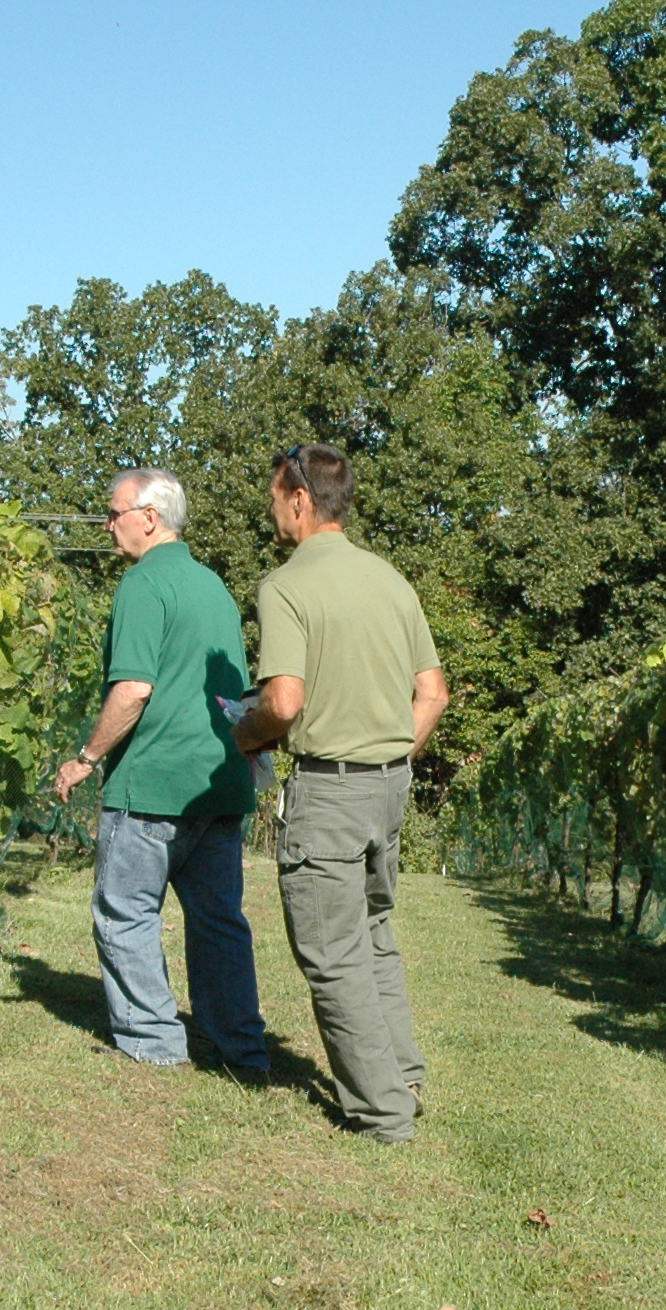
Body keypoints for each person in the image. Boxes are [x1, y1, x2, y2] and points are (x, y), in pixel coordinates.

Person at [231, 444, 450, 1143]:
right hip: (390, 789)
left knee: (331, 951)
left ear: (300, 498)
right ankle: (402, 1077)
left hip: (331, 790)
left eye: (274, 500)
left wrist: (245, 735)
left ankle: (382, 1113)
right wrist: (390, 757)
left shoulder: (286, 585)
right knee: (374, 934)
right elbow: (433, 695)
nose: (272, 513)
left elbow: (285, 702)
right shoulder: (391, 580)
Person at [52, 468, 267, 1072]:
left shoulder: (143, 585)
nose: (107, 524)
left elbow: (134, 689)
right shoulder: (213, 586)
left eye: (113, 512)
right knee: (219, 921)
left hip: (151, 783)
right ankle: (242, 1048)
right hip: (219, 783)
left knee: (125, 912)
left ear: (148, 517)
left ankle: (153, 1042)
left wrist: (86, 758)